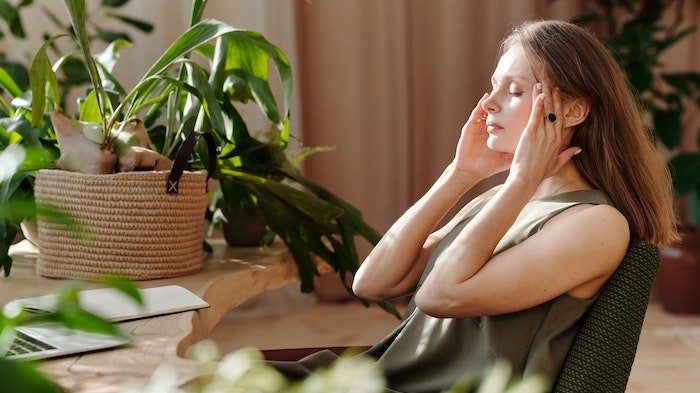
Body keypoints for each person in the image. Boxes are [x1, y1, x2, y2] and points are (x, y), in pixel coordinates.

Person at [270, 20, 678, 393]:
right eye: (493, 86)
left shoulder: (596, 224)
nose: (488, 104)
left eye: (514, 91)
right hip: (374, 377)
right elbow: (372, 283)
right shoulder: (502, 199)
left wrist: (519, 182)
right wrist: (460, 173)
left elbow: (439, 295)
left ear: (571, 111)